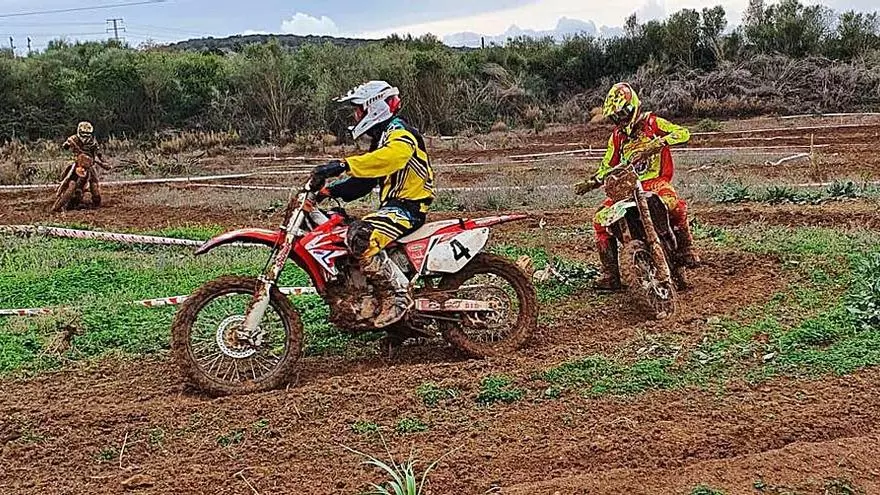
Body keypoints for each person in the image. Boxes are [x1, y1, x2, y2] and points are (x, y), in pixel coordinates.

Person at [308, 81, 434, 327]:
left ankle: (397, 297)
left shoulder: (400, 133)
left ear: (374, 107)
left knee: (361, 237)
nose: (356, 116)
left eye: (358, 110)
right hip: (395, 207)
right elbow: (365, 182)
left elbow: (392, 158)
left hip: (409, 208)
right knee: (339, 226)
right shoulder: (383, 138)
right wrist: (328, 191)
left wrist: (343, 165)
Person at [575, 82, 699, 290]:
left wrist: (659, 143)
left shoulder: (653, 123)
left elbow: (683, 133)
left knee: (674, 205)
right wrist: (593, 181)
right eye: (616, 117)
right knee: (600, 220)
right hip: (627, 188)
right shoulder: (617, 137)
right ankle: (610, 274)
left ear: (632, 106)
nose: (621, 119)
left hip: (655, 182)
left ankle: (686, 249)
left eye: (623, 113)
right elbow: (607, 165)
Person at [61, 121, 111, 206]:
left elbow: (99, 153)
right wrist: (67, 145)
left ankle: (96, 200)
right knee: (66, 170)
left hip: (89, 163)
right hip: (77, 161)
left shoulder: (92, 141)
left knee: (94, 185)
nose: (85, 135)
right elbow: (65, 145)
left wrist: (103, 161)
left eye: (87, 133)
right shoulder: (74, 138)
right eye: (84, 133)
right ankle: (63, 184)